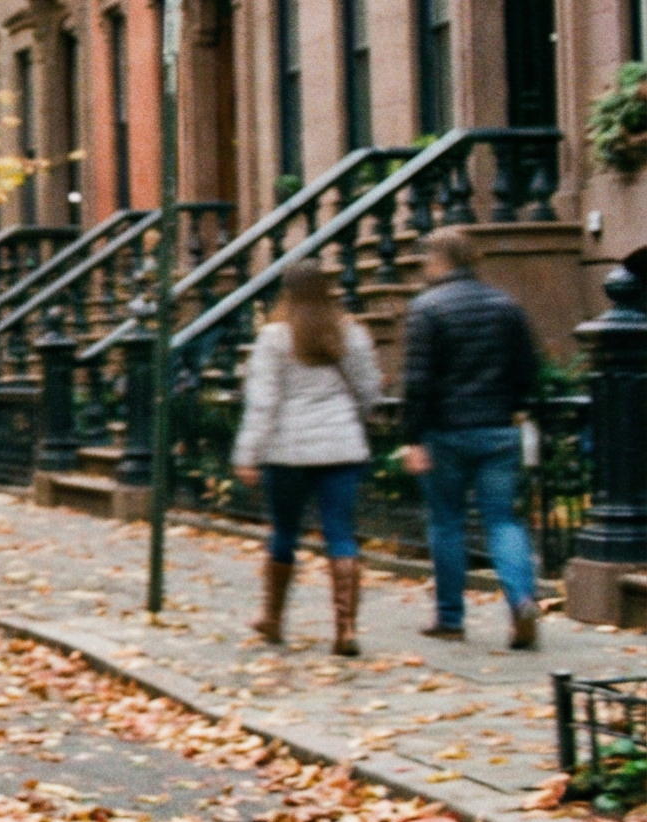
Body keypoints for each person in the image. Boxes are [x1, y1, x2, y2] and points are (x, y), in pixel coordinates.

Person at [398, 228, 544, 650]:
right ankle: (521, 598)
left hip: (445, 432)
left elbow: (418, 381)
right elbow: (527, 370)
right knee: (503, 520)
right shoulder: (505, 305)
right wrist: (510, 407)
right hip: (497, 429)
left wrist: (412, 438)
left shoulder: (426, 308)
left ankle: (450, 619)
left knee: (447, 522)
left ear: (440, 260)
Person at [230, 262, 383, 656]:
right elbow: (369, 389)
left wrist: (248, 453)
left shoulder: (274, 338)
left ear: (287, 293)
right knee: (341, 532)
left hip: (288, 451)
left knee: (284, 531)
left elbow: (262, 402)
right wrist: (351, 419)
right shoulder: (350, 333)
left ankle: (273, 617)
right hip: (342, 447)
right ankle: (345, 629)